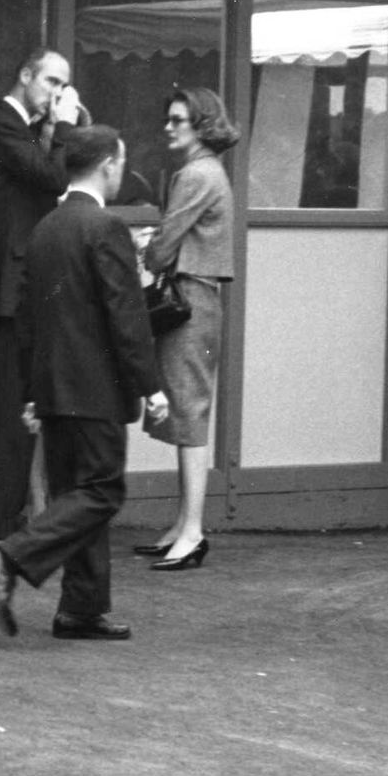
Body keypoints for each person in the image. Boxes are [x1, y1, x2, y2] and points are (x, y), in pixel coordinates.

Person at [0, 127, 170, 640]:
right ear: (107, 165)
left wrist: (31, 393)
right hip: (96, 389)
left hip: (53, 389)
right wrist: (150, 385)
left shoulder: (45, 229)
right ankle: (8, 559)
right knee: (100, 492)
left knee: (75, 497)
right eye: (121, 163)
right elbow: (126, 316)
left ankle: (82, 608)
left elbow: (25, 319)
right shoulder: (106, 227)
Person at [0, 47, 81, 551]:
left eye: (64, 85)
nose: (57, 93)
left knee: (11, 407)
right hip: (6, 290)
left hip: (14, 288)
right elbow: (53, 178)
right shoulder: (1, 124)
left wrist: (54, 132)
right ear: (25, 74)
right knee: (5, 409)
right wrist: (65, 128)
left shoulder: (19, 129)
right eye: (51, 81)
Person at [133, 86, 237, 572]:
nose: (168, 127)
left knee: (189, 412)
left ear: (202, 125)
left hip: (189, 300)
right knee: (185, 409)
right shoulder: (208, 171)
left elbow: (163, 247)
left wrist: (149, 246)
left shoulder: (196, 174)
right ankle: (183, 524)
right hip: (195, 298)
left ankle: (192, 531)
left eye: (178, 120)